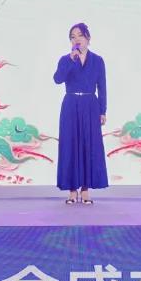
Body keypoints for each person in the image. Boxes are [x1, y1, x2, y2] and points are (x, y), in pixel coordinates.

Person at [53, 22, 108, 204]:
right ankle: (71, 191)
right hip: (70, 105)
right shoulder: (65, 59)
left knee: (88, 145)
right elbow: (57, 79)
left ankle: (85, 190)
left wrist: (102, 111)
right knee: (70, 145)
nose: (76, 40)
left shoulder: (98, 60)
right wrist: (71, 60)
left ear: (88, 38)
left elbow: (102, 87)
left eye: (80, 36)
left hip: (90, 105)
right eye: (72, 37)